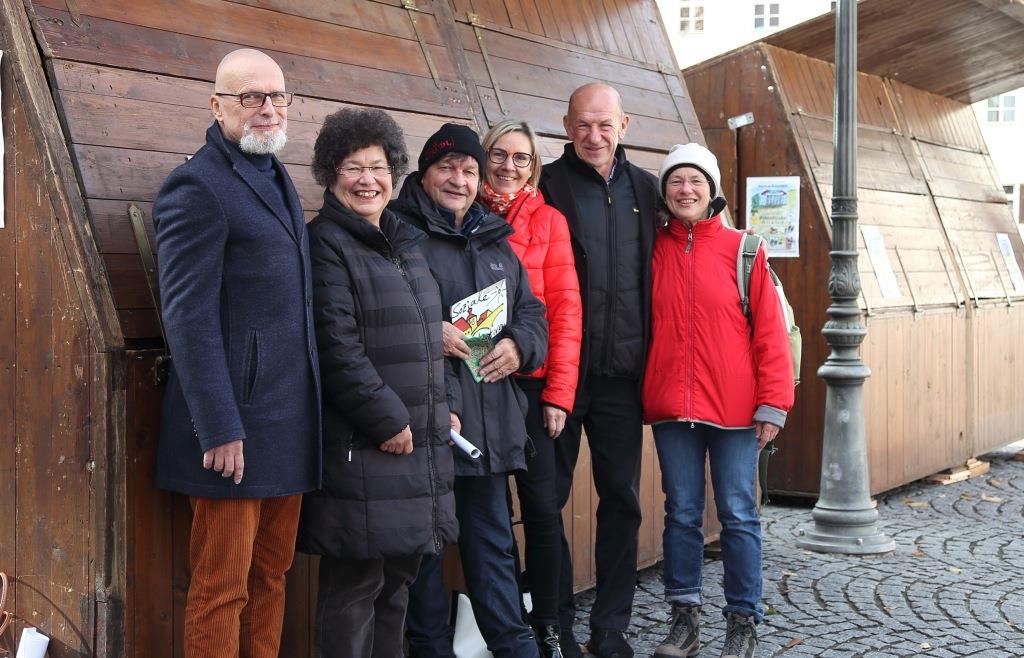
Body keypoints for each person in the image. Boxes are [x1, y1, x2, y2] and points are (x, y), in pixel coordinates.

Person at [152, 49, 319, 658]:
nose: (267, 107)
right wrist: (218, 427)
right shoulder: (197, 186)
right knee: (222, 589)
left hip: (284, 424)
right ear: (216, 105)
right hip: (233, 434)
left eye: (276, 96)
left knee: (270, 578)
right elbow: (187, 318)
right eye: (250, 97)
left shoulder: (274, 173)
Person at [294, 108, 458, 658]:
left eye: (378, 166)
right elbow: (335, 346)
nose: (368, 179)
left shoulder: (405, 243)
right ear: (330, 175)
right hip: (367, 445)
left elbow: (427, 341)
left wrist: (445, 407)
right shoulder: (326, 244)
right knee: (355, 586)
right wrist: (387, 420)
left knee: (397, 584)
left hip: (418, 443)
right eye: (351, 168)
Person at [394, 123, 547, 658]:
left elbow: (532, 312)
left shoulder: (494, 239)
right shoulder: (397, 232)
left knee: (495, 552)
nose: (457, 180)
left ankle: (516, 650)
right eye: (446, 168)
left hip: (487, 426)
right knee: (424, 558)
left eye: (468, 170)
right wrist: (424, 328)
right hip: (428, 423)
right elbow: (372, 316)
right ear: (425, 172)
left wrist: (520, 345)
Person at [643, 143, 794, 658]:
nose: (686, 190)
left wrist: (773, 404)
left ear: (712, 192)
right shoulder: (653, 249)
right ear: (665, 192)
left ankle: (742, 623)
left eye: (696, 182)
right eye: (676, 181)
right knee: (681, 513)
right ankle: (684, 620)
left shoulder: (744, 248)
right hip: (671, 408)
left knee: (738, 513)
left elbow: (770, 333)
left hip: (735, 411)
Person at [538, 83, 659, 658]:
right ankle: (555, 621)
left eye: (604, 125)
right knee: (545, 503)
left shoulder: (647, 190)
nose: (594, 136)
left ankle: (610, 627)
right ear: (566, 126)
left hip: (622, 380)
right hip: (557, 377)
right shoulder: (545, 186)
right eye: (583, 125)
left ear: (624, 126)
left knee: (623, 502)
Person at [479, 120, 583, 658]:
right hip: (479, 387)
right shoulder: (465, 213)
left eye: (522, 158)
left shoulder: (549, 221)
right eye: (500, 154)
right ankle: (503, 628)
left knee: (542, 509)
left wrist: (561, 394)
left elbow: (566, 311)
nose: (509, 166)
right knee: (488, 515)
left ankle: (553, 625)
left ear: (534, 166)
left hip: (536, 387)